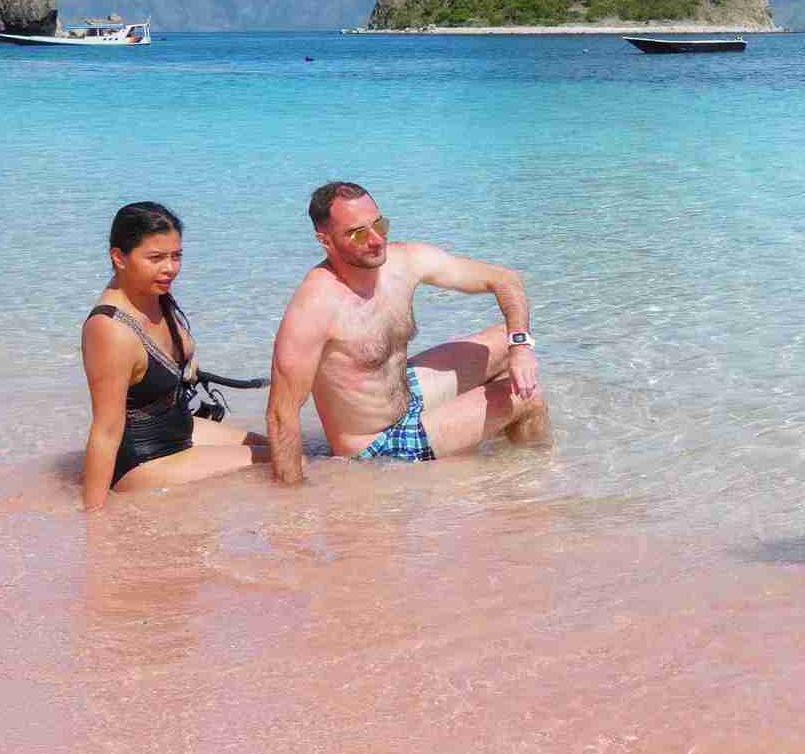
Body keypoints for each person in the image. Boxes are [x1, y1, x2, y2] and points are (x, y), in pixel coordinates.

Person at [265, 181, 549, 483]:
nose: (376, 240)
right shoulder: (315, 306)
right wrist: (292, 506)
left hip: (406, 395)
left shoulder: (404, 262)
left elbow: (505, 279)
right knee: (529, 399)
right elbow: (282, 415)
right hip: (378, 444)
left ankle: (498, 458)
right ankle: (534, 481)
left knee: (505, 341)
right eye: (358, 233)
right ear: (326, 241)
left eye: (380, 224)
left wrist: (520, 346)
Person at [80, 202, 268, 510]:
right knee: (280, 462)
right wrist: (93, 521)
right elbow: (106, 429)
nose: (170, 268)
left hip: (178, 427)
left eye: (176, 255)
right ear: (119, 258)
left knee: (273, 446)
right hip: (144, 459)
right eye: (156, 258)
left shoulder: (154, 292)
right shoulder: (110, 330)